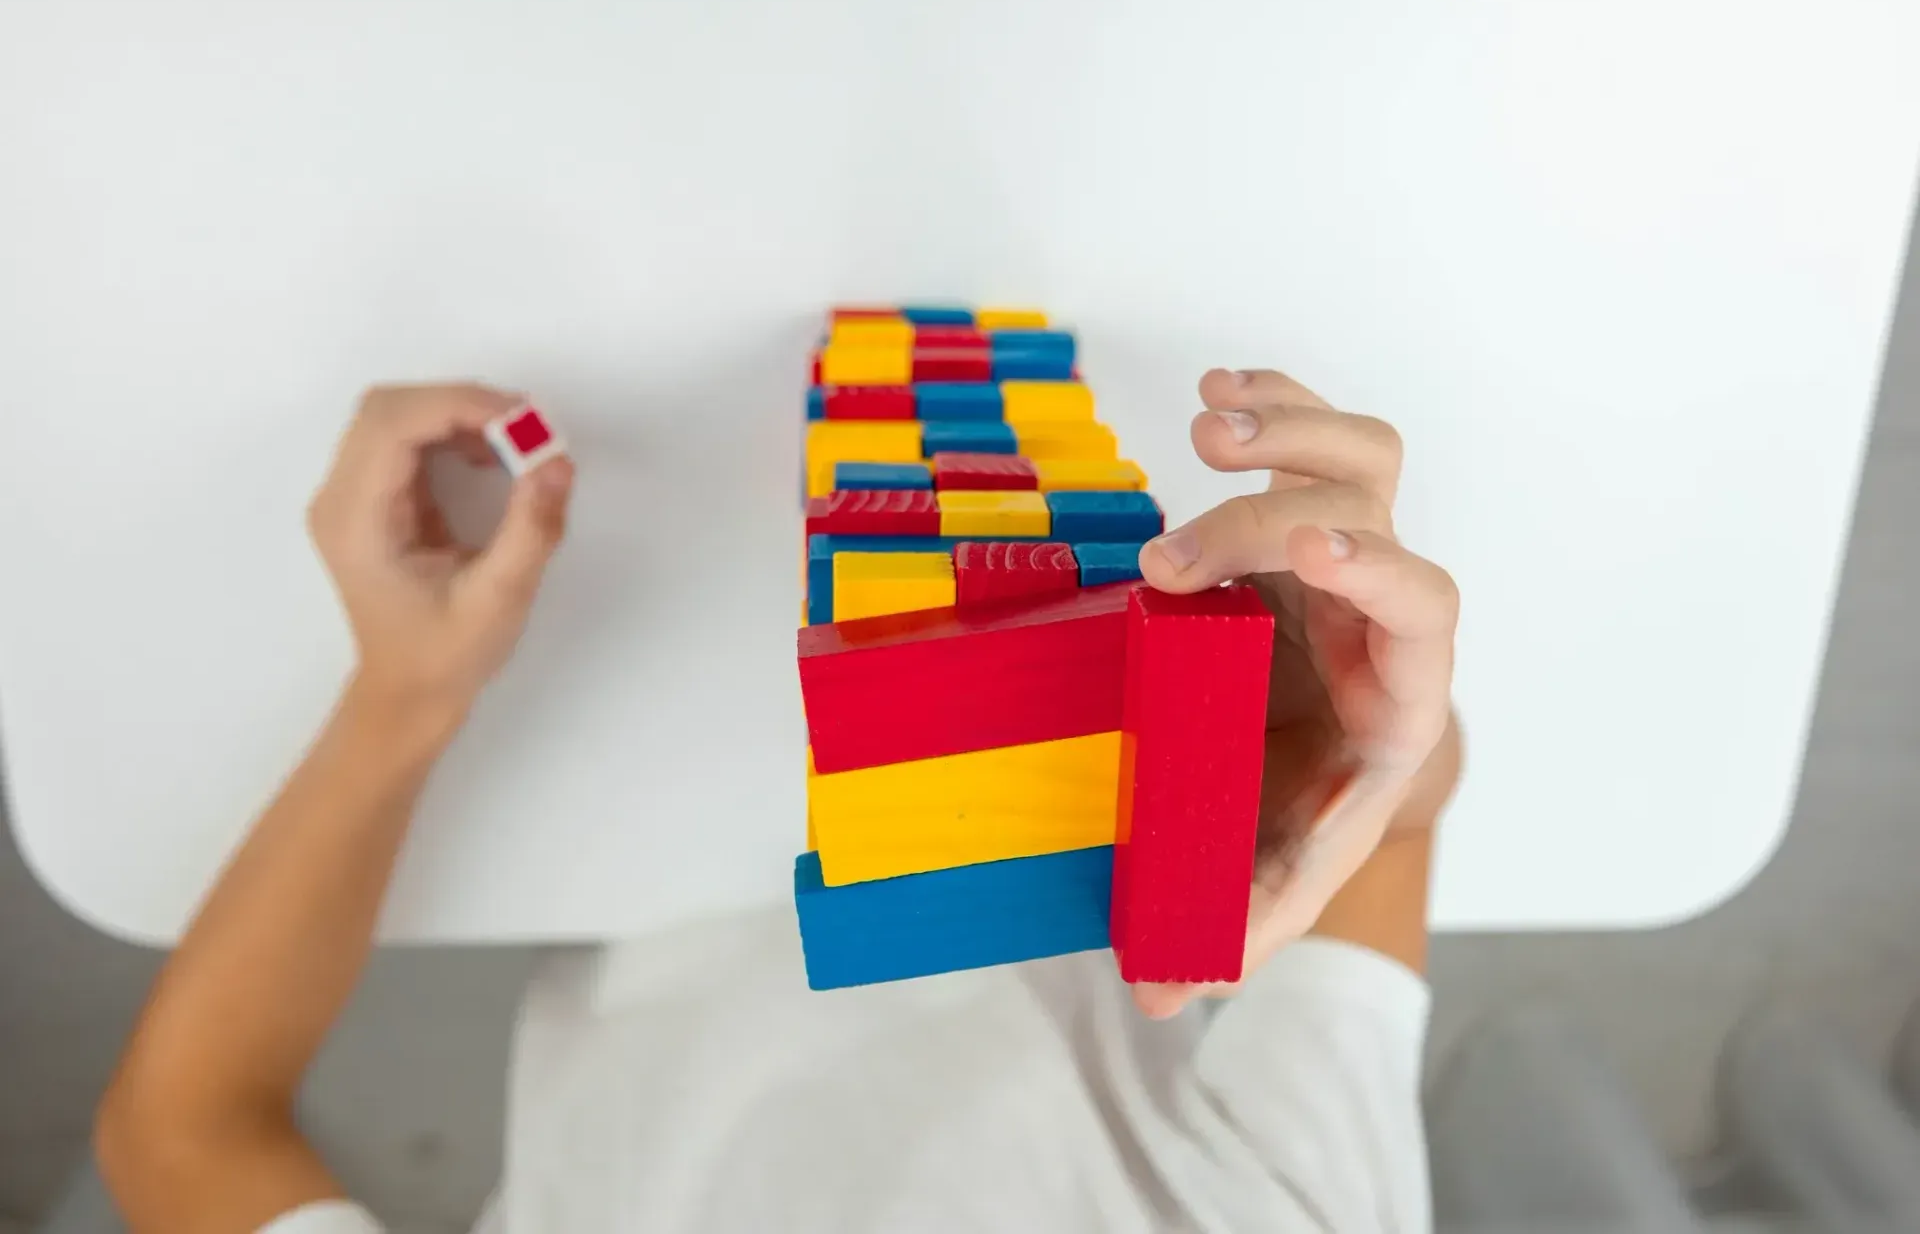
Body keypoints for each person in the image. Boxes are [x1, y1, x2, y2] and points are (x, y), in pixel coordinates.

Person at [94, 369, 1462, 1234]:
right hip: (1058, 782)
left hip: (615, 760)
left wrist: (402, 694)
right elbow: (1395, 826)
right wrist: (1316, 743)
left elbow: (181, 1133)